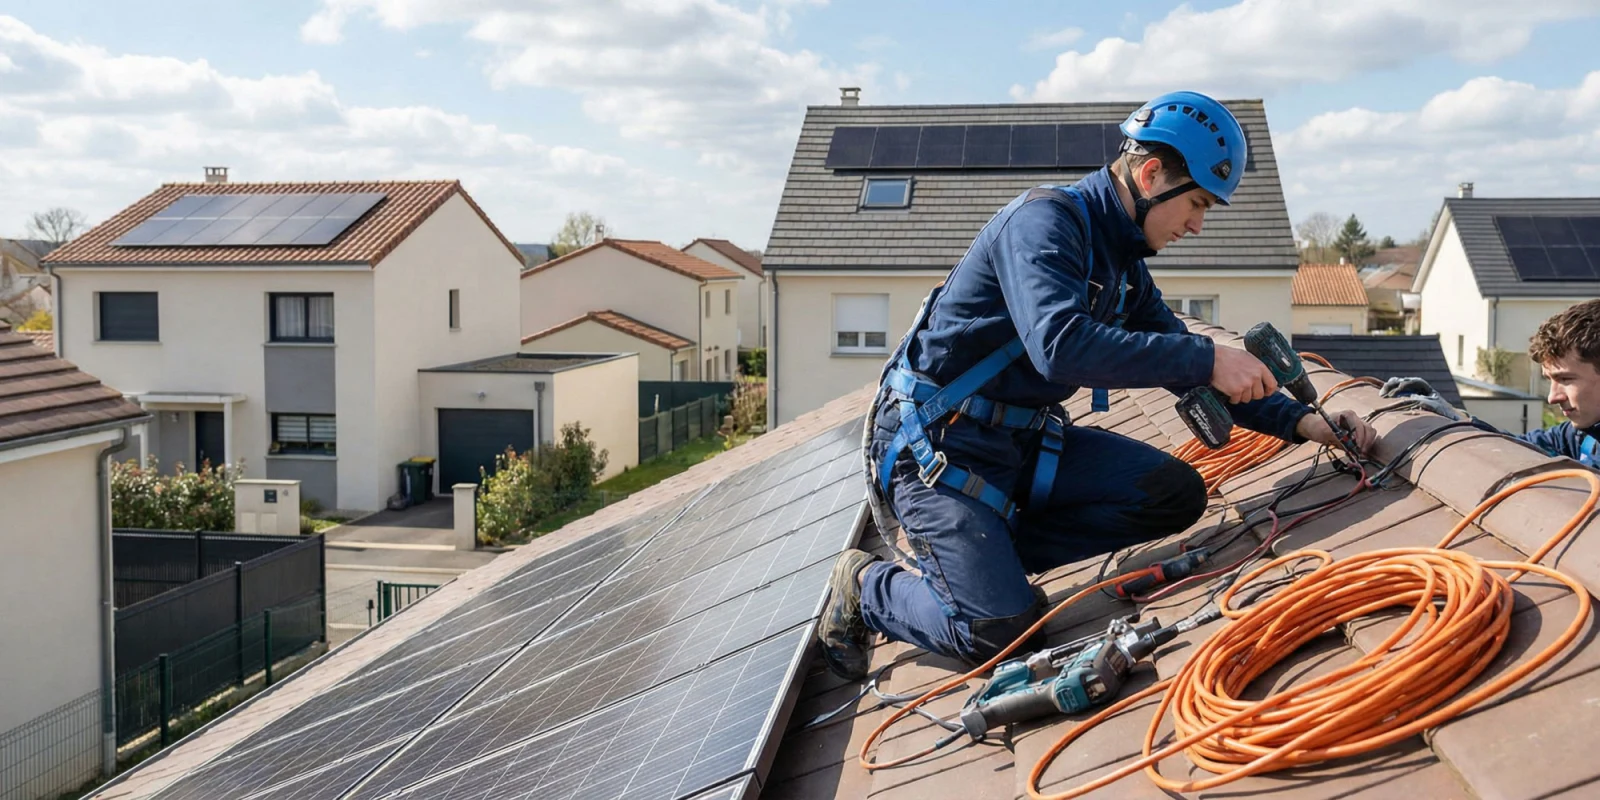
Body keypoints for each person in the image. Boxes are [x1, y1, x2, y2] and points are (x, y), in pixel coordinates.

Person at [816, 90, 1378, 680]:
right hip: (940, 446)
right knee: (997, 634)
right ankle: (868, 586)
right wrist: (1207, 358)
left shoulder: (1123, 269)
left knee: (1174, 494)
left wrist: (1303, 422)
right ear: (1150, 174)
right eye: (1195, 204)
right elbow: (1060, 347)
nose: (1196, 225)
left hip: (1021, 442)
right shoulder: (1043, 225)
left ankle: (986, 563)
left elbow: (1181, 360)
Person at [1380, 298, 1600, 468]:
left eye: (1566, 379)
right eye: (1549, 380)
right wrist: (1455, 419)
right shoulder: (1581, 436)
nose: (1552, 397)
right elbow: (1513, 448)